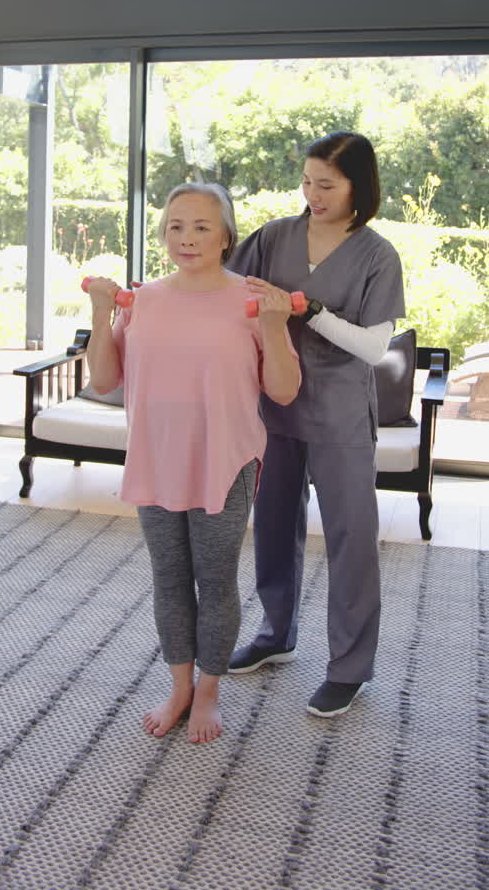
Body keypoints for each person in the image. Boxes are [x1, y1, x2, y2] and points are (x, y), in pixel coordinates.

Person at [83, 182, 300, 745]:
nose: (187, 238)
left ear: (226, 235)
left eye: (202, 226)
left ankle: (209, 690)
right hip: (156, 459)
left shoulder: (250, 298)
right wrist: (101, 311)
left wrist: (274, 326)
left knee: (216, 577)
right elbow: (104, 379)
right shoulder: (143, 299)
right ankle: (179, 684)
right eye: (176, 226)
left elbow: (283, 390)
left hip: (225, 462)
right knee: (169, 579)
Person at [227, 131, 405, 718]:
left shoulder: (377, 255)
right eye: (307, 181)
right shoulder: (275, 236)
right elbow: (225, 294)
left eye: (327, 184)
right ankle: (277, 634)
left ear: (359, 187)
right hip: (275, 406)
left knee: (351, 538)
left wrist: (313, 310)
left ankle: (349, 669)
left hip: (340, 413)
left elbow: (376, 347)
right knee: (274, 524)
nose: (313, 193)